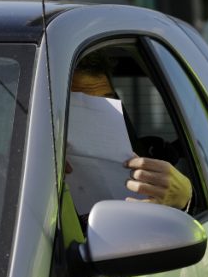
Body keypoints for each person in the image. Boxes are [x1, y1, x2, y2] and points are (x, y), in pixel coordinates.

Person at [69, 53, 192, 211]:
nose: (98, 124)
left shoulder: (145, 170)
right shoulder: (31, 176)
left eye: (106, 105)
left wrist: (184, 199)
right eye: (79, 111)